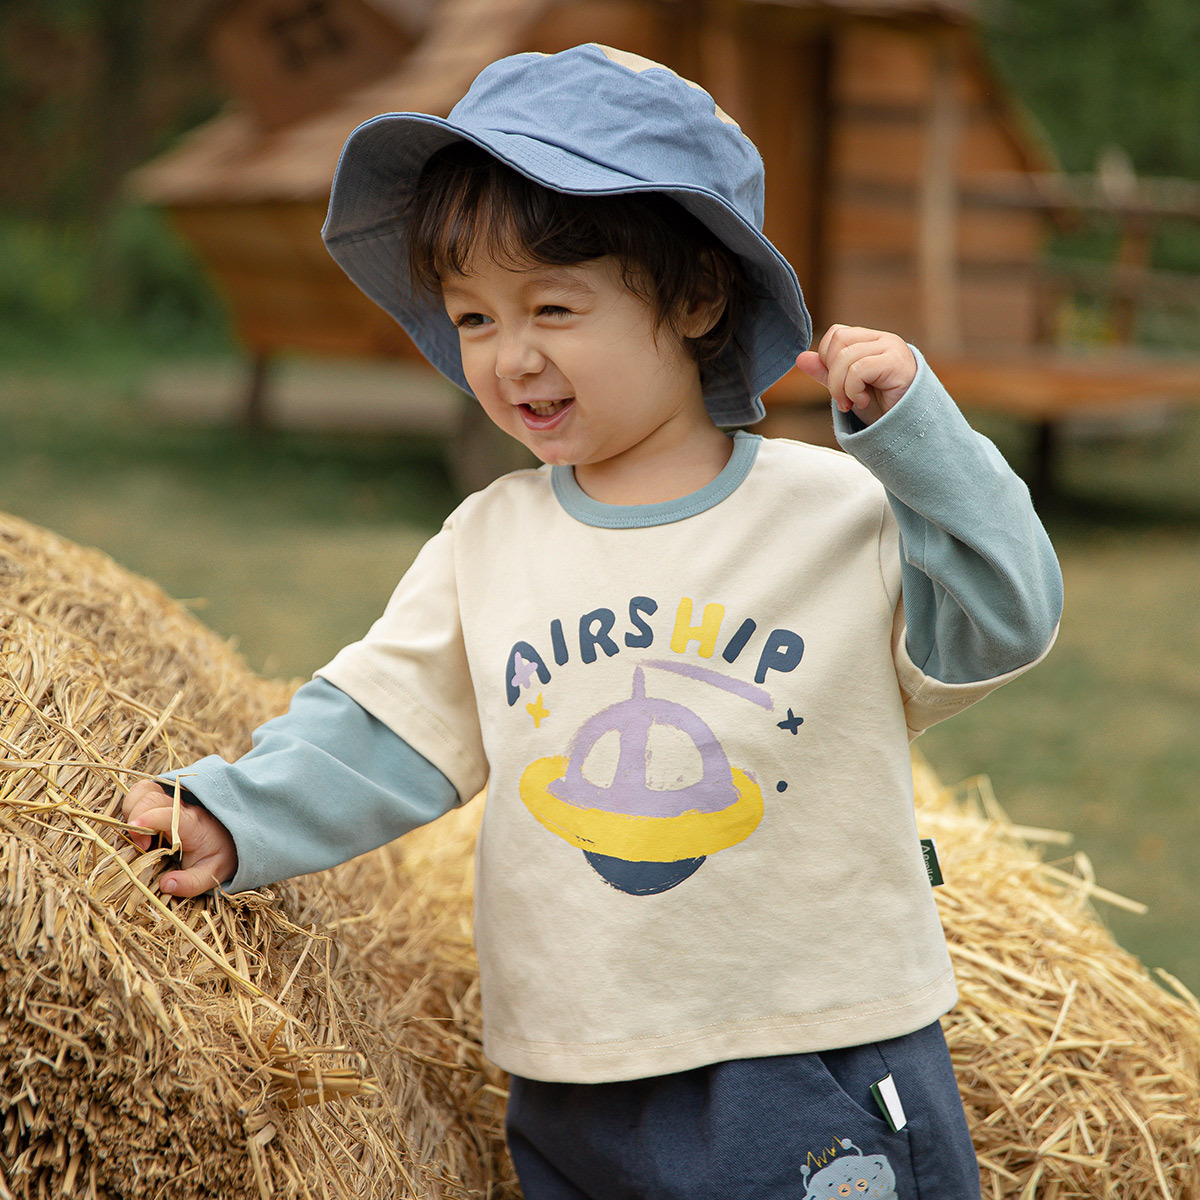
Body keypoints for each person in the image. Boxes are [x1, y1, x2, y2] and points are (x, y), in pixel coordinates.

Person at [123, 44, 1062, 1200]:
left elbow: (1008, 614)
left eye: (554, 307)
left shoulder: (834, 513)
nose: (511, 357)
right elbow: (380, 723)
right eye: (473, 317)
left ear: (697, 296)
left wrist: (920, 443)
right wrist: (236, 814)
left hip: (807, 1049)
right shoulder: (487, 543)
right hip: (575, 1075)